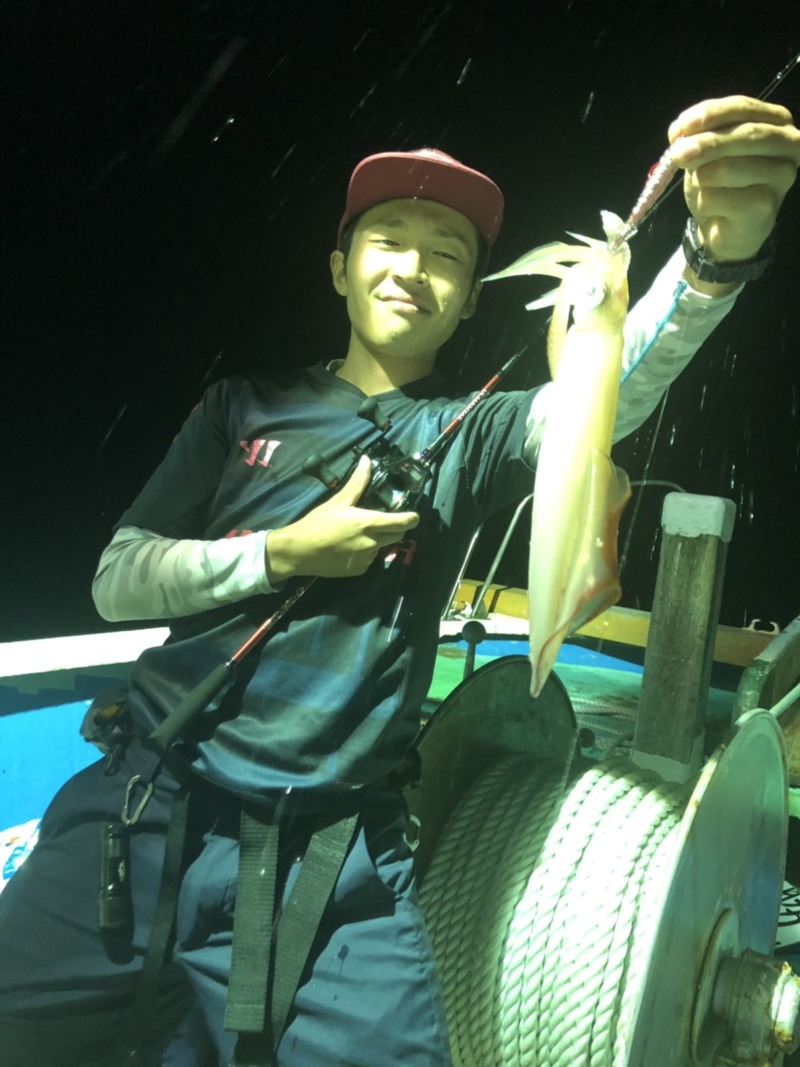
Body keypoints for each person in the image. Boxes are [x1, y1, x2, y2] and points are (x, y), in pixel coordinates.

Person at [0, 96, 797, 1067]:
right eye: (388, 240)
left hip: (338, 851)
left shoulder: (473, 431)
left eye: (446, 254)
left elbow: (603, 395)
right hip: (150, 797)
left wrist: (711, 262)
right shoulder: (240, 408)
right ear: (340, 267)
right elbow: (117, 579)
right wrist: (283, 551)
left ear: (469, 299)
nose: (413, 267)